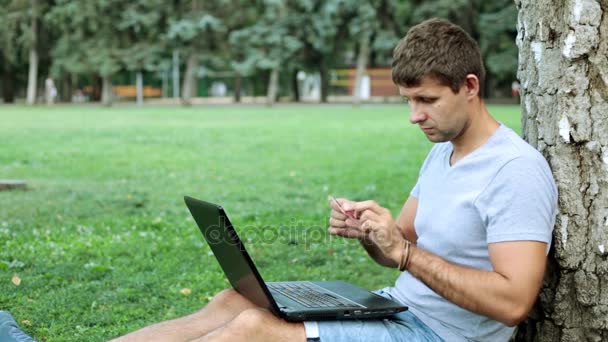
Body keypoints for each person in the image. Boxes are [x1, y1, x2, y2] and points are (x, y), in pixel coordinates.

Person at [112, 18, 557, 342]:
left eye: (426, 100)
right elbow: (398, 248)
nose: (414, 116)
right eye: (407, 100)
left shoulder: (514, 170)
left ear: (471, 86)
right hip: (400, 308)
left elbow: (513, 303)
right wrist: (371, 233)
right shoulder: (443, 151)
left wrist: (403, 252)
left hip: (445, 334)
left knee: (253, 330)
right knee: (235, 302)